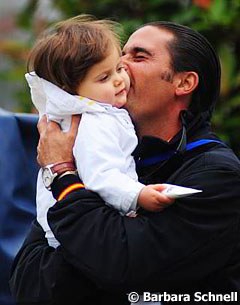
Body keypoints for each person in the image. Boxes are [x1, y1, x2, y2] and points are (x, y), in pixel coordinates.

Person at [10, 20, 240, 305]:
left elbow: (121, 264)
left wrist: (62, 176)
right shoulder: (99, 152)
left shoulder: (217, 177)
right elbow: (30, 281)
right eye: (122, 55)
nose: (121, 65)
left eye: (139, 56)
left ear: (184, 83)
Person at [25, 15, 173, 248]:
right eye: (104, 77)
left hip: (73, 226)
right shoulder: (94, 124)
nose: (118, 80)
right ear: (72, 90)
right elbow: (101, 175)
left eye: (118, 68)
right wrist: (138, 195)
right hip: (77, 230)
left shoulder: (101, 115)